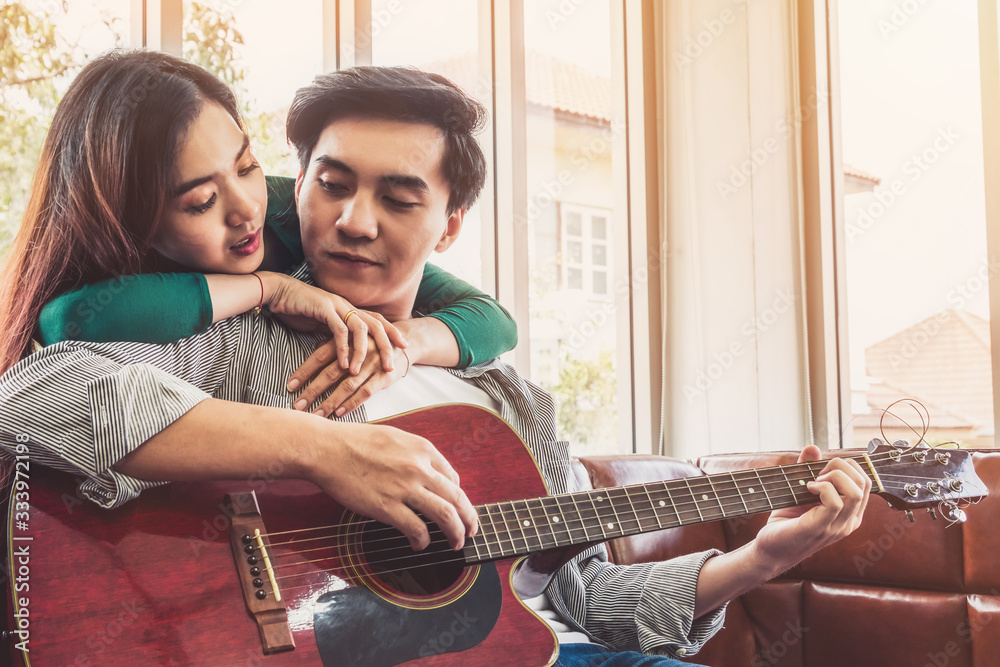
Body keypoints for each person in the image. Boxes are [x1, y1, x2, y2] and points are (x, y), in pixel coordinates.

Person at [0, 60, 871, 666]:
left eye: (399, 196)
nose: (355, 221)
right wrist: (320, 446)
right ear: (294, 186)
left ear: (450, 225)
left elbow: (586, 599)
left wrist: (758, 558)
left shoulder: (510, 398)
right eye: (332, 183)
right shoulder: (233, 334)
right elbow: (34, 391)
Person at [0, 49, 517, 419]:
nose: (247, 209)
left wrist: (400, 346)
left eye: (246, 166)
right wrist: (272, 288)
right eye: (201, 202)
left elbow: (493, 321)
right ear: (136, 231)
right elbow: (64, 323)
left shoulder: (283, 209)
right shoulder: (199, 342)